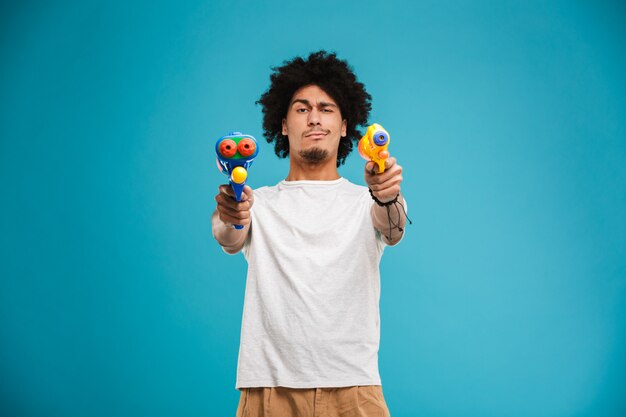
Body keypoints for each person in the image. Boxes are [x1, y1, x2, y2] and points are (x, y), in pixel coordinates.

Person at [212, 51, 408, 417]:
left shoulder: (367, 201)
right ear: (283, 125)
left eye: (326, 108)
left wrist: (387, 195)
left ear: (346, 125)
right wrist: (231, 212)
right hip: (269, 389)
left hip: (354, 389)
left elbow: (394, 228)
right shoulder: (260, 203)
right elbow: (229, 234)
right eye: (301, 109)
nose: (314, 117)